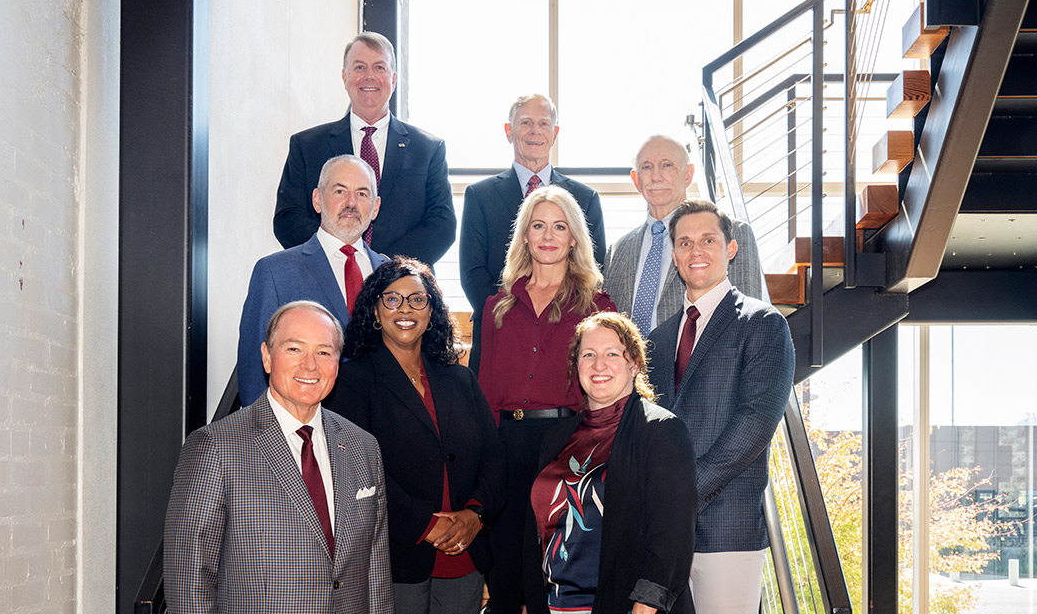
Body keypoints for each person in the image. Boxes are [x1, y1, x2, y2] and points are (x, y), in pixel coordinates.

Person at [164, 301, 395, 614]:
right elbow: (188, 585)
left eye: (324, 352)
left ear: (338, 364)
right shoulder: (215, 448)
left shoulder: (363, 448)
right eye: (295, 349)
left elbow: (373, 578)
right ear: (267, 356)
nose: (310, 366)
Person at [327, 258, 505, 614]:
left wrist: (474, 515)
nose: (406, 310)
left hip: (463, 564)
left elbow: (494, 460)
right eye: (393, 300)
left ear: (433, 312)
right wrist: (425, 523)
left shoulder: (459, 377)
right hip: (394, 563)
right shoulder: (354, 380)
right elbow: (354, 469)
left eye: (418, 300)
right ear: (374, 310)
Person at [645, 200, 794, 614]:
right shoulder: (656, 339)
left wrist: (683, 492)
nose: (696, 250)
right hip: (670, 533)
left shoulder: (763, 323)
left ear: (731, 249)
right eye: (684, 241)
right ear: (674, 253)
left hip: (728, 527)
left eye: (708, 239)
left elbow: (755, 424)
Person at [522, 312, 698, 614]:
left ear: (635, 362)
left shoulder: (660, 432)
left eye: (612, 354)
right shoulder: (558, 437)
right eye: (588, 355)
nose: (599, 365)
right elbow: (534, 533)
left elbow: (671, 539)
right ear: (575, 366)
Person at [477, 185, 616, 614]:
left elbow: (605, 377)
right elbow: (483, 386)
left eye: (561, 226)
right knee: (511, 585)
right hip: (506, 446)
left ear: (575, 237)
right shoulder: (498, 305)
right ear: (525, 235)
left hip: (564, 448)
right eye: (539, 225)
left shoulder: (596, 301)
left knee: (553, 587)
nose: (549, 235)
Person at [273, 32, 456, 265]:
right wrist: (342, 254)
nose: (369, 76)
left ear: (393, 79)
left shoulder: (429, 149)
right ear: (344, 76)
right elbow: (288, 218)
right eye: (359, 67)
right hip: (324, 278)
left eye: (379, 68)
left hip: (400, 285)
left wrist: (385, 264)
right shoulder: (307, 146)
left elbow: (442, 224)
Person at [460, 94, 606, 371]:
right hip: (500, 332)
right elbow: (473, 273)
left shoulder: (585, 198)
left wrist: (551, 321)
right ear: (508, 131)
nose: (535, 131)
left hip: (567, 336)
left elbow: (592, 268)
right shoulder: (480, 196)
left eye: (543, 123)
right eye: (525, 122)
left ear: (555, 133)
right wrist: (519, 319)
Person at [236, 155, 387, 404]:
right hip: (306, 428)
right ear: (317, 200)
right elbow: (254, 367)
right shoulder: (274, 272)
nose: (351, 203)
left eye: (362, 194)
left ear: (376, 207)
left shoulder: (392, 275)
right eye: (340, 191)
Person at [602, 135, 765, 336]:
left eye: (667, 165)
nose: (656, 177)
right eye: (646, 167)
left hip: (704, 366)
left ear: (688, 174)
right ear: (636, 180)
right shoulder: (617, 250)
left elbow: (750, 322)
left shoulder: (732, 233)